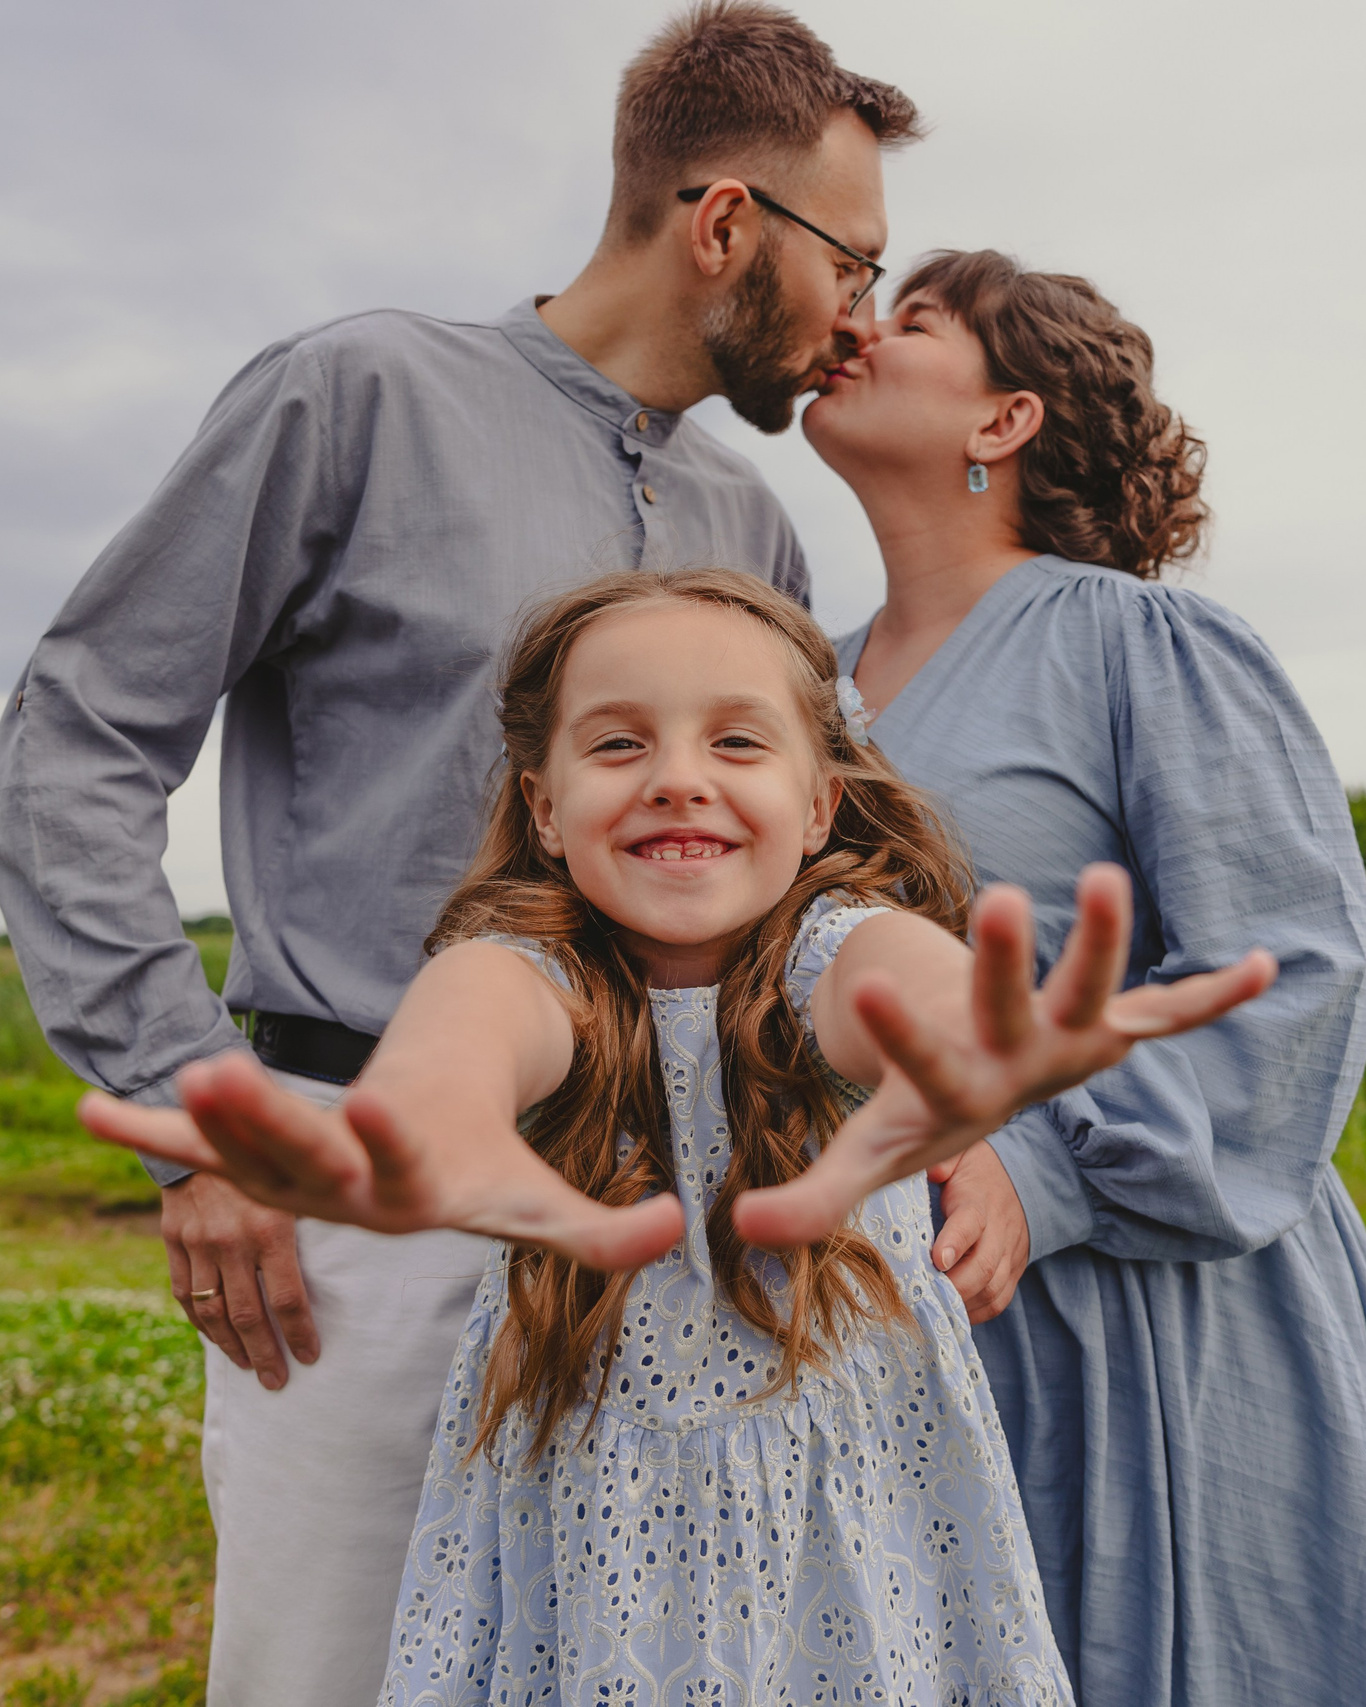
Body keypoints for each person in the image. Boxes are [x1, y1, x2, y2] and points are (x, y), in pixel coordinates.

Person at [0, 7, 923, 1702]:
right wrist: (196, 1109)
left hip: (673, 1232)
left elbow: (813, 869)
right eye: (852, 263)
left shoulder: (756, 529)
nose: (859, 316)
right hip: (365, 1228)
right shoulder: (354, 394)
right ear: (726, 224)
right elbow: (72, 739)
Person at [82, 568, 1273, 1706]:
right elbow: (476, 1019)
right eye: (618, 745)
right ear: (545, 809)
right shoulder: (535, 965)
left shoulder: (829, 945)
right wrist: (429, 1107)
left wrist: (972, 1033)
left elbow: (890, 980)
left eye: (737, 742)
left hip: (847, 1519)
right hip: (593, 1524)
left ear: (819, 805)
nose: (677, 779)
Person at [799, 248, 1366, 1706]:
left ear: (1004, 420)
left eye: (915, 320)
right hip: (876, 1317)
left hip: (1133, 1312)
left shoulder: (1143, 642)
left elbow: (1284, 973)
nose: (858, 328)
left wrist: (1042, 1173)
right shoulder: (797, 689)